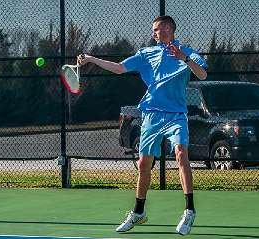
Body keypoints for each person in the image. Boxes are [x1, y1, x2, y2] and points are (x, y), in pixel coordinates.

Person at [77, 15, 207, 236]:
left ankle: (189, 210)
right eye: (154, 30)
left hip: (176, 115)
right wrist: (91, 59)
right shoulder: (147, 53)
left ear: (168, 28)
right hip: (151, 115)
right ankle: (138, 212)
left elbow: (202, 74)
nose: (154, 33)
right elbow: (119, 68)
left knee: (180, 154)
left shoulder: (188, 51)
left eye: (156, 29)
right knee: (144, 164)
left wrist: (184, 58)